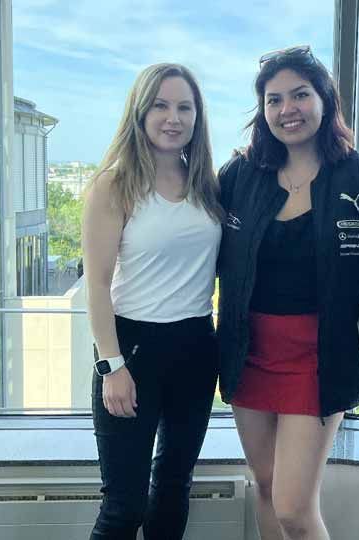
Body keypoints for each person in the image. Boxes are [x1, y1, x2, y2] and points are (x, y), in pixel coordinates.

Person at [215, 45, 359, 540]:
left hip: (319, 358)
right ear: (262, 111)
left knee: (292, 507)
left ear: (325, 100)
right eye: (274, 99)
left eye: (300, 95)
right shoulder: (241, 176)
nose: (288, 110)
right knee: (264, 486)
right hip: (249, 352)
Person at [81, 63, 223, 540]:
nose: (173, 117)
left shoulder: (207, 184)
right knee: (125, 507)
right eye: (161, 105)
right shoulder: (114, 185)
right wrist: (111, 365)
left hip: (196, 347)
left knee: (172, 489)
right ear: (140, 112)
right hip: (133, 348)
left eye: (185, 107)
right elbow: (97, 285)